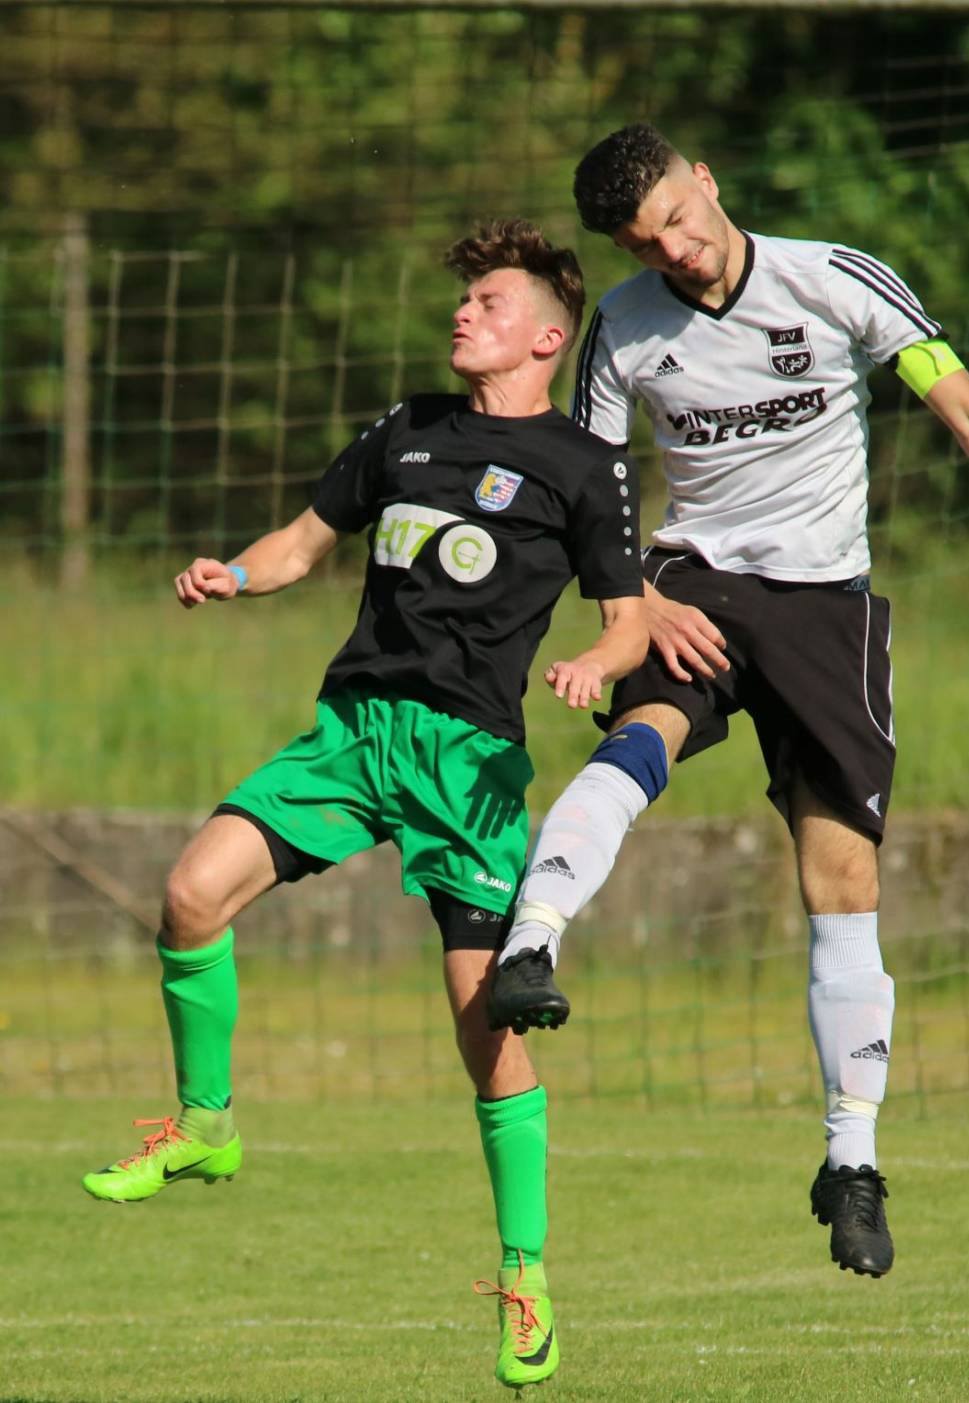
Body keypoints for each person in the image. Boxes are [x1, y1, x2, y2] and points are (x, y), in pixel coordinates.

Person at [487, 124, 969, 1279]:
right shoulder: (625, 326)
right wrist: (631, 607)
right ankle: (529, 944)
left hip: (823, 604)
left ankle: (851, 1161)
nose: (675, 249)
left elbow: (963, 404)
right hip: (695, 587)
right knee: (646, 732)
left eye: (679, 216)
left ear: (708, 180)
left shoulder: (831, 280)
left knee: (844, 877)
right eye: (646, 241)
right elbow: (586, 488)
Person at [81, 218, 648, 1391]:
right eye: (462, 302)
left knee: (482, 1023)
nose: (463, 315)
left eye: (487, 303)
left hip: (466, 762)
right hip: (353, 733)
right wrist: (232, 573)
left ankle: (527, 1273)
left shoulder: (584, 465)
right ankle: (206, 1125)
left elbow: (627, 610)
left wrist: (599, 664)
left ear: (547, 335)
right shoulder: (406, 426)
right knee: (191, 894)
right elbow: (300, 543)